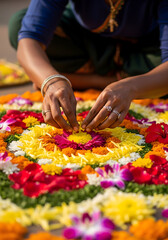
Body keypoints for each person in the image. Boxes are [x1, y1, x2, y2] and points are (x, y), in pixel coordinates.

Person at [9, 0, 168, 132]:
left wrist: (132, 87)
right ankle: (106, 80)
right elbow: (30, 40)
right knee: (19, 26)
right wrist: (51, 81)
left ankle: (104, 80)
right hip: (88, 43)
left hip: (146, 49)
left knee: (159, 72)